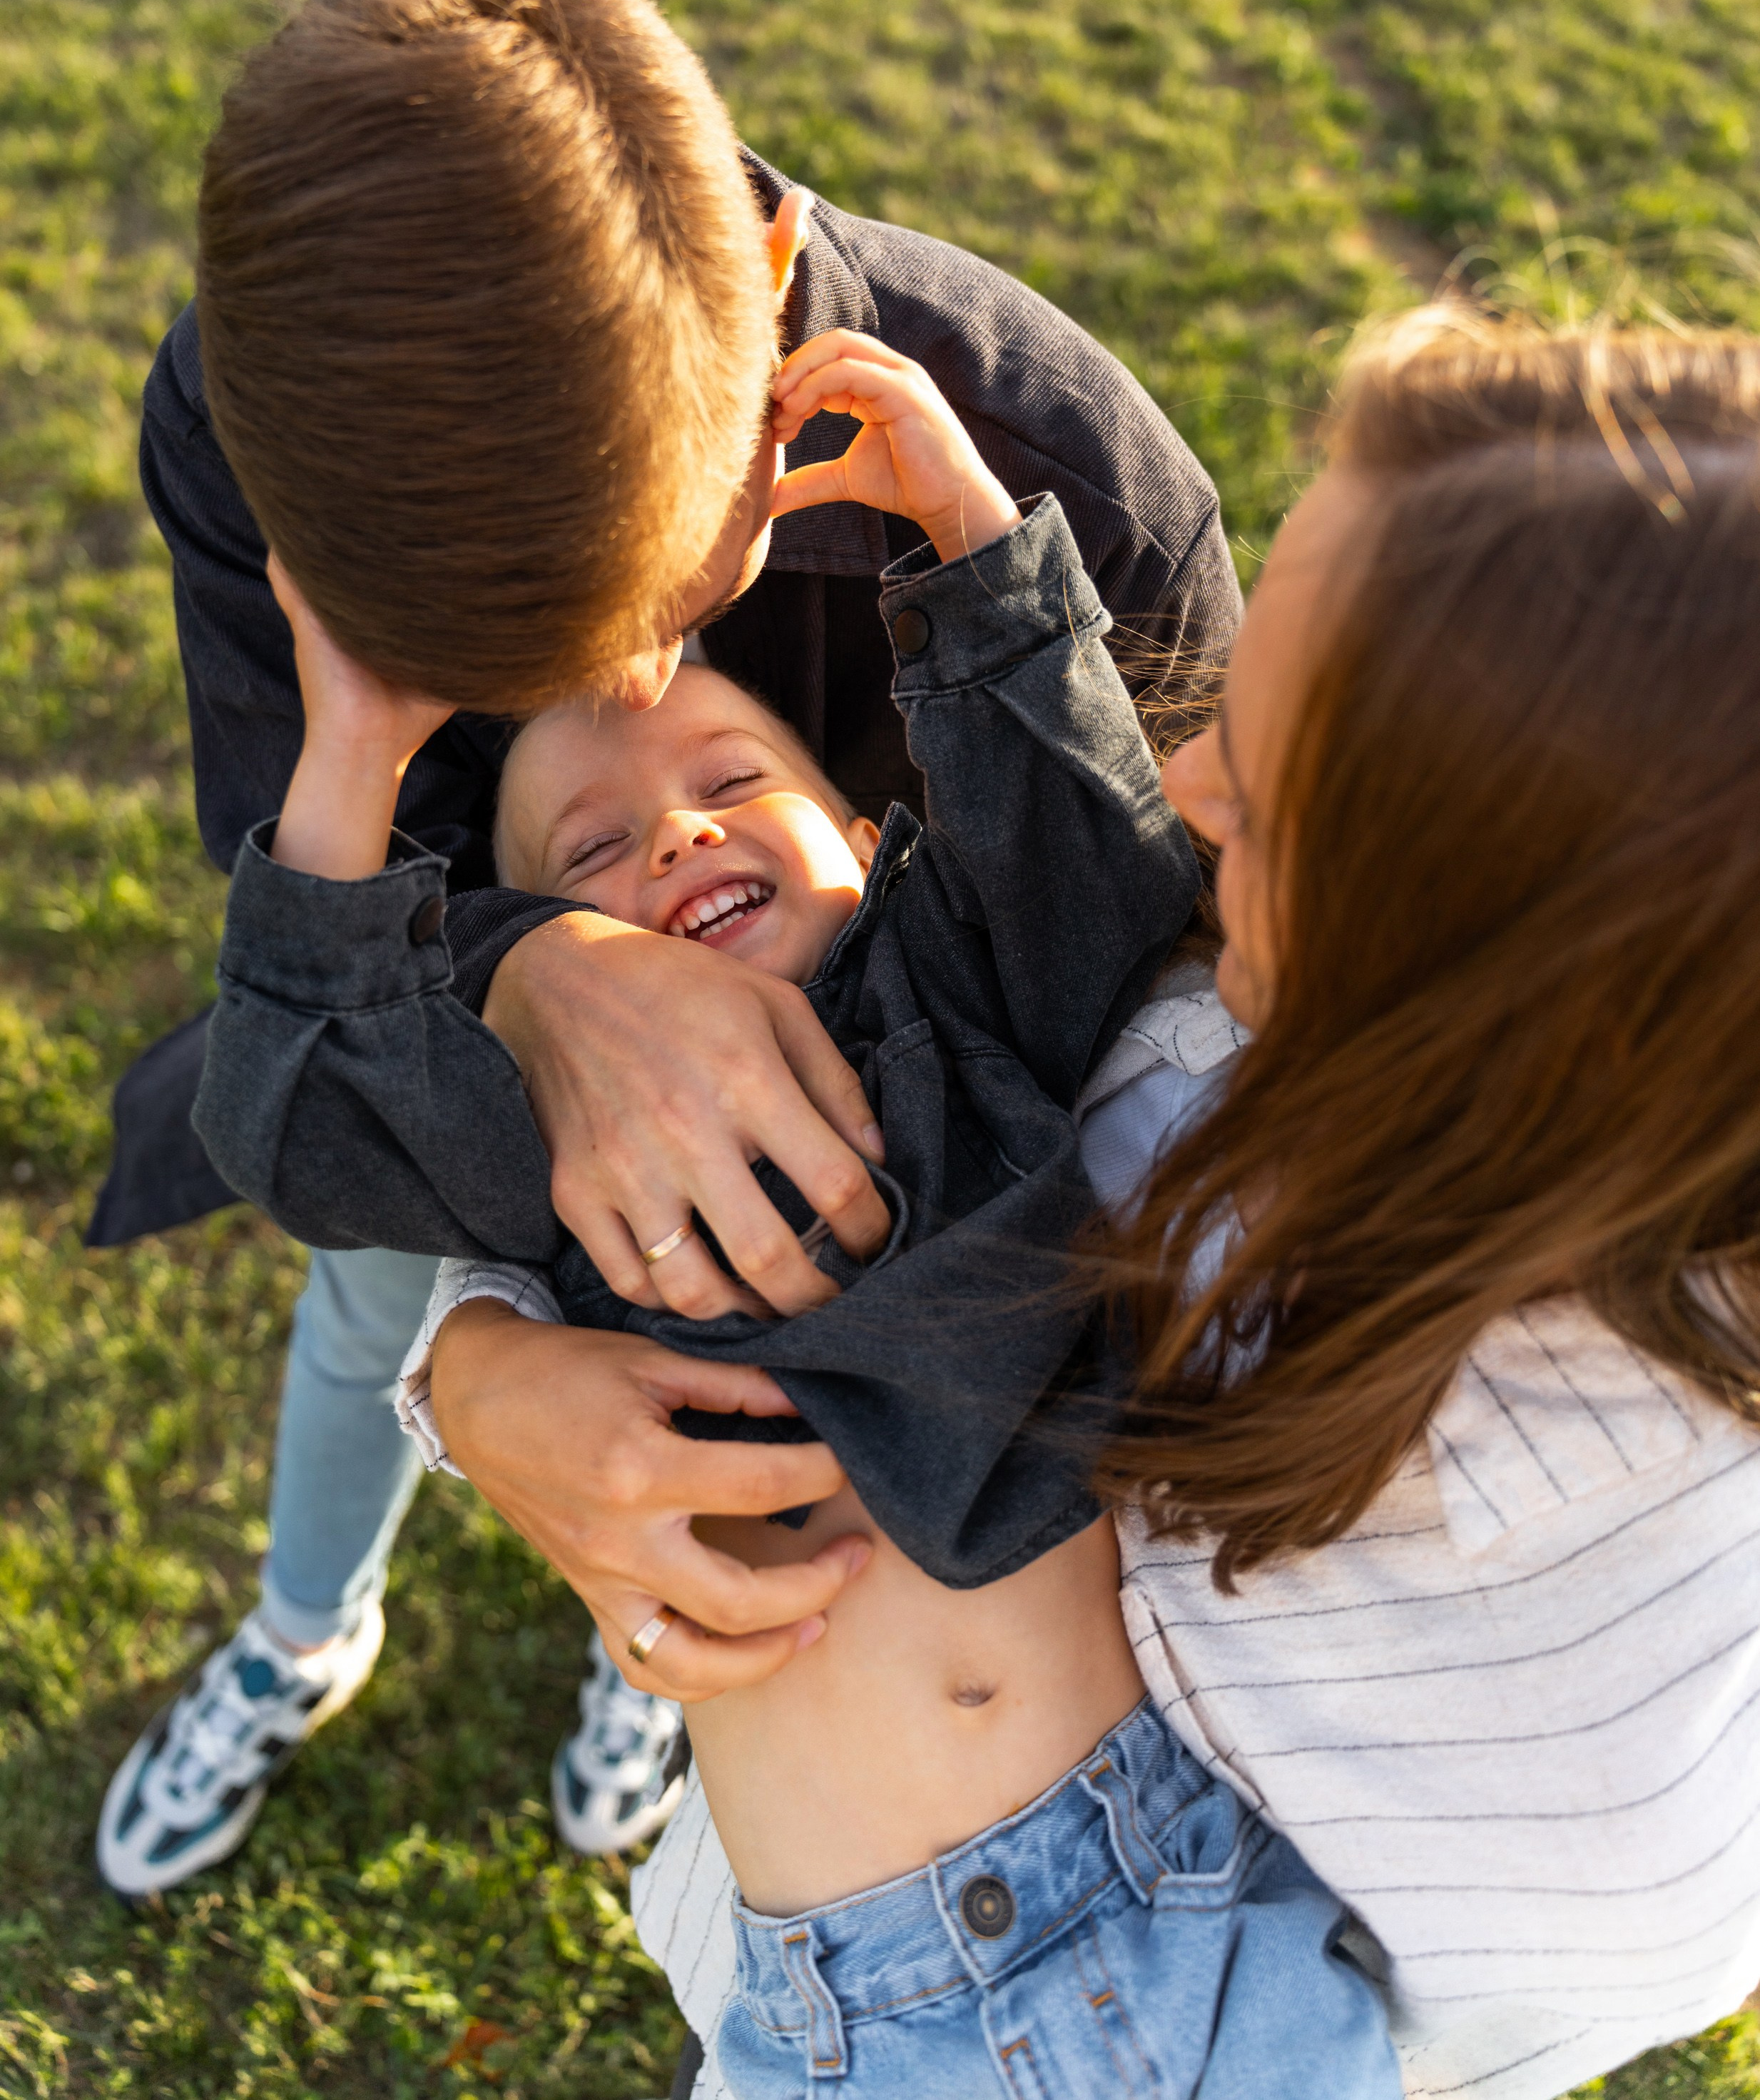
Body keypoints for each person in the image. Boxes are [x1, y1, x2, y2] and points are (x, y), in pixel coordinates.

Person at [94, 0, 1240, 1895]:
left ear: (772, 292)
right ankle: (302, 1628)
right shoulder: (259, 414)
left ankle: (677, 1597)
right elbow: (288, 898)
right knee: (366, 1295)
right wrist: (526, 1009)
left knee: (739, 1506)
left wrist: (988, 591)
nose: (623, 695)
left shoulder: (1074, 485)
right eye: (492, 673)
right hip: (459, 1096)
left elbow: (1168, 963)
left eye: (668, 607)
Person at [188, 336, 1399, 2100]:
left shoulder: (967, 982)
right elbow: (288, 1117)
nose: (674, 835)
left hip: (1195, 1904)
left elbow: (1097, 848)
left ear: (860, 825)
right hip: (850, 2021)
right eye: (587, 854)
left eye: (732, 783)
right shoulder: (560, 1148)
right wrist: (354, 748)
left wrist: (966, 528)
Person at [633, 306, 1760, 2100]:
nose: (1185, 783)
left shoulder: (1599, 1698)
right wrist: (475, 1365)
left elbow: (1552, 1989)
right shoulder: (1228, 1019)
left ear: (1495, 975)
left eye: (1277, 788)